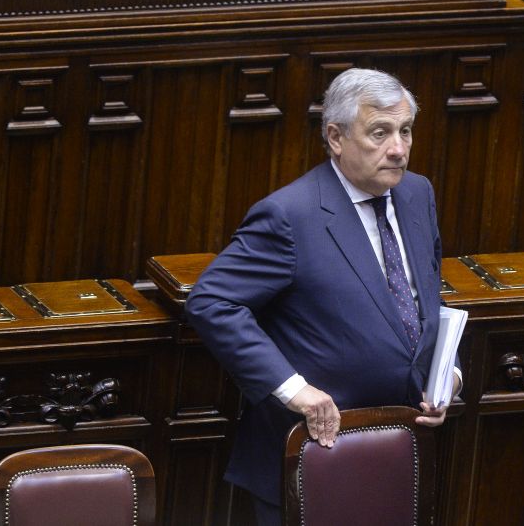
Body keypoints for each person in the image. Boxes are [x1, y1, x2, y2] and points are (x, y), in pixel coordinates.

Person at [186, 67, 461, 526]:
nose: (398, 149)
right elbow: (212, 302)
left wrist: (447, 373)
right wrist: (294, 390)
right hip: (311, 452)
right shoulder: (289, 215)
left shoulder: (416, 193)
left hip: (401, 452)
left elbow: (424, 295)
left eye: (406, 130)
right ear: (336, 137)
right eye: (380, 133)